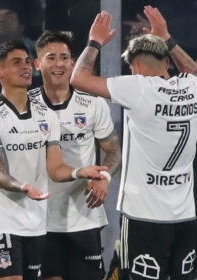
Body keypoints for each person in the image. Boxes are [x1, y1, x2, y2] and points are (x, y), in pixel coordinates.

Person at [70, 6, 197, 280]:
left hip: (143, 217)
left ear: (135, 67)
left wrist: (94, 42)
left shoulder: (138, 87)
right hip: (185, 215)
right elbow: (191, 69)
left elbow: (78, 79)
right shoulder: (191, 87)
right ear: (167, 62)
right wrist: (167, 38)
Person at [0, 40, 109, 280]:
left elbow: (55, 169)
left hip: (37, 224)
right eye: (16, 63)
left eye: (27, 62)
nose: (25, 67)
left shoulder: (46, 115)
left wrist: (80, 172)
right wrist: (22, 186)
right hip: (3, 223)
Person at [30, 30, 121, 280]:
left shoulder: (93, 105)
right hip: (40, 219)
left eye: (64, 57)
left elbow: (113, 151)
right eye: (51, 57)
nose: (58, 64)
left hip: (85, 217)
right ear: (38, 64)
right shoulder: (24, 108)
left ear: (72, 63)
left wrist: (104, 178)